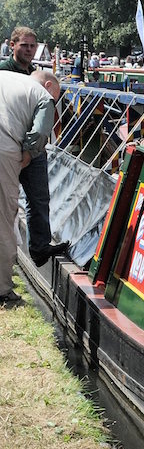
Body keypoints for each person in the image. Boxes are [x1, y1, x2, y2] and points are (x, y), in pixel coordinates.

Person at [0, 26, 68, 267]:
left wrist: (31, 150)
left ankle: (39, 247)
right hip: (9, 142)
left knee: (39, 197)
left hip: (32, 146)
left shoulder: (35, 74)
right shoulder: (4, 72)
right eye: (24, 46)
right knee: (5, 204)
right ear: (12, 45)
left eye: (32, 46)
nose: (29, 50)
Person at [0, 70, 62, 306]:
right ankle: (3, 289)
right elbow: (39, 132)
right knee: (5, 218)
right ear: (48, 86)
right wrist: (27, 155)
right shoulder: (43, 96)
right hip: (5, 150)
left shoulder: (6, 78)